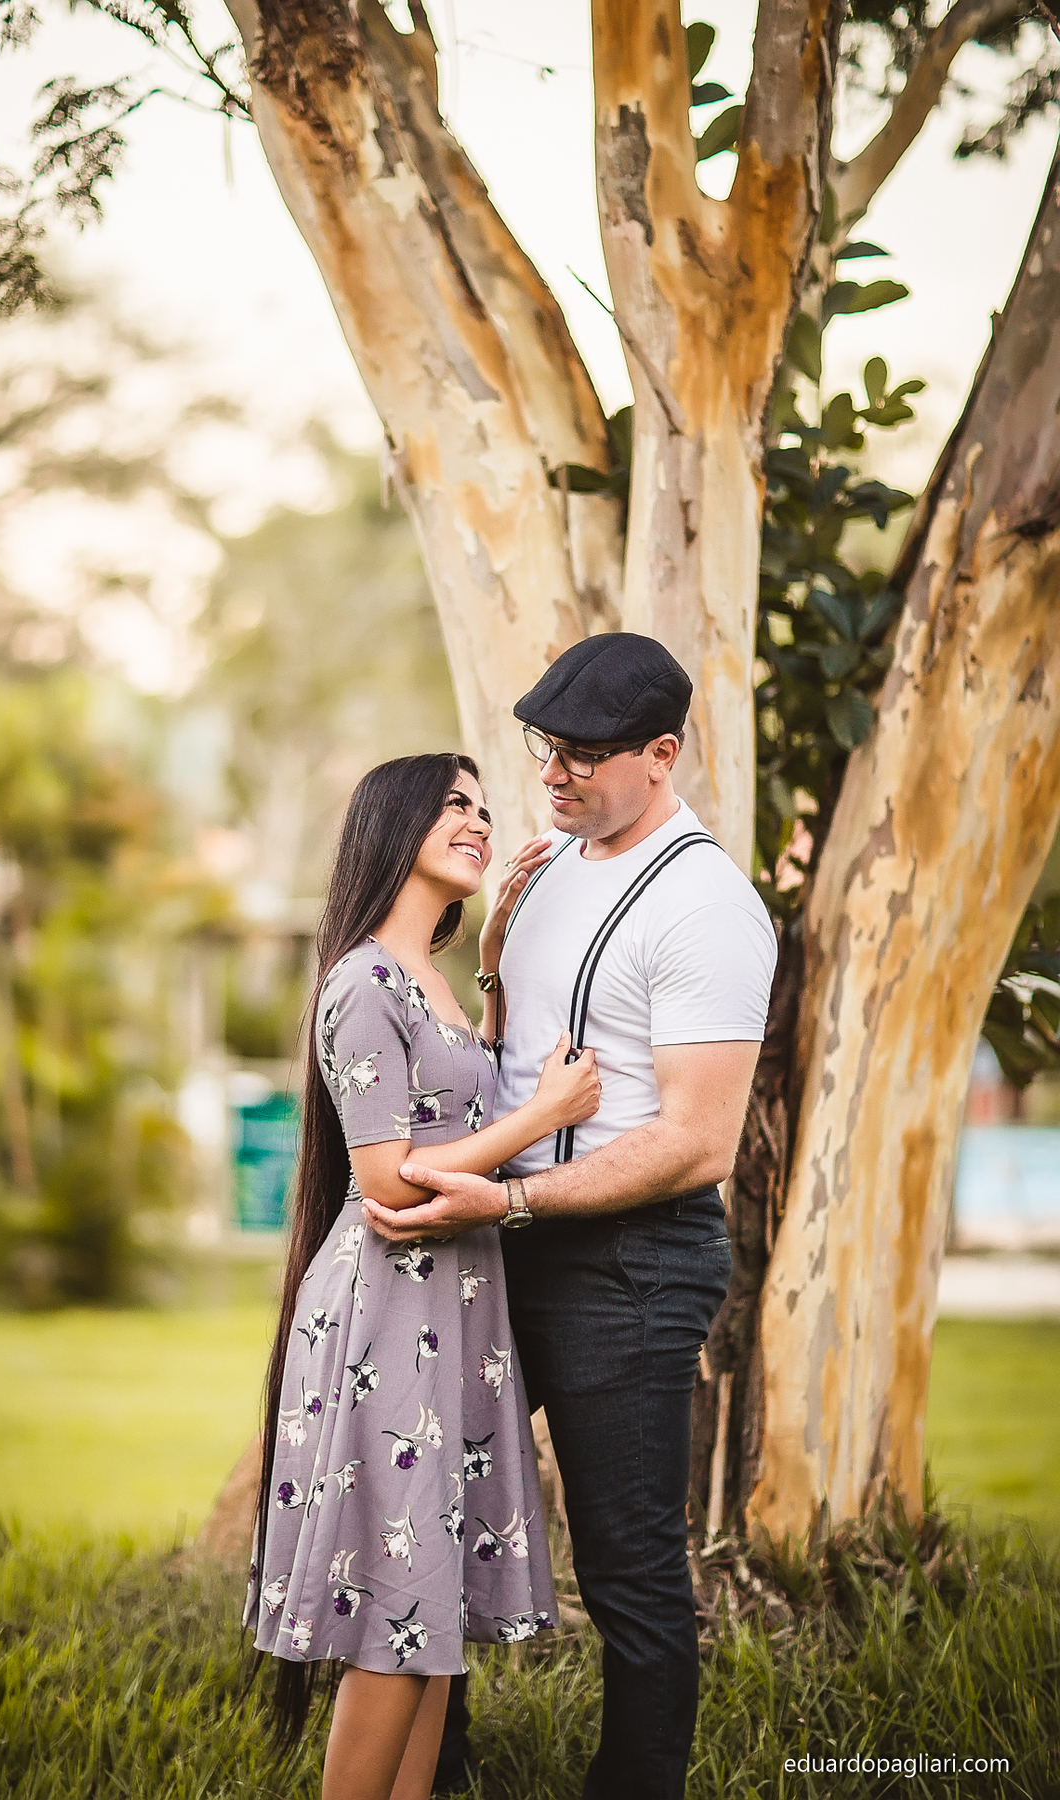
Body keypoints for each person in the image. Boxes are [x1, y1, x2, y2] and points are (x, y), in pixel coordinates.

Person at [362, 636, 779, 1800]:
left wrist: (515, 1198)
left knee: (629, 1570)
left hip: (629, 1265)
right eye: (546, 745)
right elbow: (514, 1063)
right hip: (498, 1241)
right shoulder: (547, 870)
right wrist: (495, 968)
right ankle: (426, 1782)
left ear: (662, 755)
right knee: (427, 1525)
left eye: (586, 754)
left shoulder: (708, 907)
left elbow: (699, 1139)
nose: (553, 773)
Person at [245, 750, 601, 1800]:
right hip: (390, 1311)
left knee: (430, 1607)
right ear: (393, 823)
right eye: (455, 804)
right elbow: (391, 1181)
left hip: (454, 1310)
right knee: (396, 1605)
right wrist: (545, 1116)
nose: (480, 821)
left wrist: (489, 967)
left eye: (485, 808)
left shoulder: (430, 983)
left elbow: (457, 1106)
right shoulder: (360, 982)